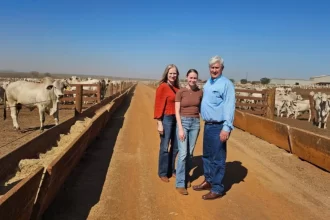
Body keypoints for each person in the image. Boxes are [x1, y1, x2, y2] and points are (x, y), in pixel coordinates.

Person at [192, 55, 235, 200]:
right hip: (208, 125)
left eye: (217, 67)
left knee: (218, 158)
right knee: (207, 156)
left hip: (219, 126)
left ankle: (217, 188)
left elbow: (229, 106)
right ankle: (208, 181)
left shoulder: (226, 84)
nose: (214, 70)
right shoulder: (209, 83)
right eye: (212, 67)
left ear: (222, 68)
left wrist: (226, 128)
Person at [174, 69, 203, 195]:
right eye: (190, 77)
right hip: (183, 123)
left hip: (195, 123)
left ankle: (186, 177)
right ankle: (180, 183)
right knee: (183, 153)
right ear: (187, 77)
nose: (192, 80)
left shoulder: (200, 92)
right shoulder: (181, 92)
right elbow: (177, 111)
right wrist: (180, 128)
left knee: (190, 153)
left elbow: (201, 108)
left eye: (194, 78)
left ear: (197, 79)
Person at [154, 64, 180, 183]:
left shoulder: (177, 88)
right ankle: (163, 172)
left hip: (177, 119)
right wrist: (159, 122)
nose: (173, 75)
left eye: (174, 73)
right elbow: (158, 105)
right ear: (166, 74)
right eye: (170, 73)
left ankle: (172, 170)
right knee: (165, 147)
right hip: (166, 119)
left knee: (175, 147)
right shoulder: (163, 87)